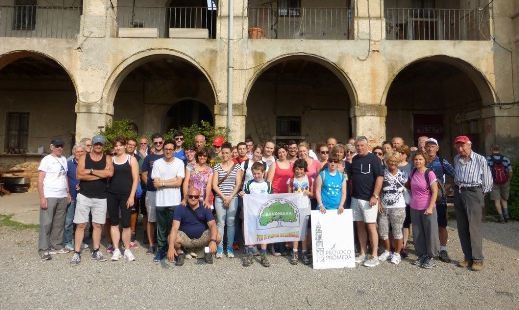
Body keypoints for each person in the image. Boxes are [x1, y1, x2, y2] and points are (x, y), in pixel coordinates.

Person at [71, 135, 114, 264]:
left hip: (101, 197)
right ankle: (77, 252)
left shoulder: (107, 158)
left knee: (97, 225)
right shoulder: (84, 157)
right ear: (93, 145)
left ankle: (96, 250)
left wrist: (90, 171)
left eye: (100, 144)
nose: (98, 146)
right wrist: (100, 174)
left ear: (103, 145)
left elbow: (110, 174)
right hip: (84, 195)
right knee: (81, 224)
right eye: (96, 144)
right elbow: (79, 175)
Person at [453, 136, 493, 271]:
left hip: (473, 192)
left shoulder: (479, 159)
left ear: (469, 145)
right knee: (462, 227)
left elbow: (488, 180)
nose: (460, 148)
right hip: (459, 191)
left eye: (463, 145)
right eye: (458, 146)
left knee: (474, 228)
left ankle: (477, 259)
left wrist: (480, 195)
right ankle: (467, 257)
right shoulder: (457, 159)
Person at [350, 136, 383, 268]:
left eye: (362, 145)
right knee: (359, 226)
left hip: (369, 199)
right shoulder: (355, 159)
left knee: (371, 226)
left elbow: (380, 178)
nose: (359, 148)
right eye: (357, 146)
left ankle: (374, 255)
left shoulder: (374, 159)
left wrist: (375, 195)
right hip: (355, 198)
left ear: (367, 146)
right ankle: (363, 253)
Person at [166, 187, 221, 265]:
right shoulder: (180, 208)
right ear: (187, 197)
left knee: (217, 236)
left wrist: (213, 241)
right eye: (190, 196)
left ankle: (207, 252)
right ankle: (180, 253)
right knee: (170, 238)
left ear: (199, 197)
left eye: (196, 197)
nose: (193, 198)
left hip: (201, 238)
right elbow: (174, 228)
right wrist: (171, 247)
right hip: (186, 239)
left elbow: (212, 225)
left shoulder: (205, 207)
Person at [151, 140, 185, 263]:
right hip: (160, 201)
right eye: (166, 149)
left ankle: (174, 249)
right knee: (161, 228)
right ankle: (161, 250)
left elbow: (179, 182)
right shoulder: (157, 163)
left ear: (174, 150)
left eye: (171, 149)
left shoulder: (179, 163)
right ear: (163, 149)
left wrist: (163, 182)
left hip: (174, 201)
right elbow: (155, 184)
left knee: (173, 228)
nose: (168, 151)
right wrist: (172, 181)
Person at [38, 138, 71, 260]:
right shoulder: (46, 160)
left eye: (61, 146)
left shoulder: (63, 159)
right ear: (52, 147)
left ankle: (56, 245)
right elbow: (40, 179)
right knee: (46, 223)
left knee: (59, 223)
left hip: (62, 195)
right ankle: (43, 249)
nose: (60, 148)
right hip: (50, 195)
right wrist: (42, 197)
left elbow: (65, 176)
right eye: (57, 146)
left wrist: (67, 192)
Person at [107, 137, 139, 261]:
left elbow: (136, 179)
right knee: (114, 222)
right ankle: (116, 249)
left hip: (126, 195)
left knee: (126, 224)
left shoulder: (132, 159)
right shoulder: (111, 159)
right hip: (112, 194)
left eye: (120, 145)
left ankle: (126, 249)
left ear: (125, 146)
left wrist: (131, 196)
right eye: (116, 145)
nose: (118, 147)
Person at [425, 138, 455, 263]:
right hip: (424, 198)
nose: (430, 148)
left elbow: (455, 174)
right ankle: (429, 249)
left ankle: (443, 249)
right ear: (425, 148)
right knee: (427, 224)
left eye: (433, 146)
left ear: (437, 148)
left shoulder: (442, 161)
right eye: (428, 146)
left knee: (441, 225)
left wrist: (447, 187)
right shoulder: (421, 161)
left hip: (439, 199)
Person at [409, 151, 439, 269]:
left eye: (420, 159)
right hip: (414, 207)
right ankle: (421, 255)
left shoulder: (429, 173)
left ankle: (431, 257)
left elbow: (435, 191)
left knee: (430, 232)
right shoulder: (413, 172)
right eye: (416, 159)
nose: (418, 161)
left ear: (425, 160)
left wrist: (430, 207)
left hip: (427, 207)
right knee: (418, 233)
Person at [212, 142, 243, 258]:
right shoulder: (217, 166)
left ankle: (229, 248)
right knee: (220, 223)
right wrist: (224, 197)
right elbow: (214, 185)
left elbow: (238, 183)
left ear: (231, 154)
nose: (225, 155)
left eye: (227, 153)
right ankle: (220, 249)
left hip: (233, 198)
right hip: (220, 198)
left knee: (230, 223)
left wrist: (230, 197)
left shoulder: (237, 167)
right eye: (223, 153)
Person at [378, 152, 407, 265]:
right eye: (390, 162)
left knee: (397, 231)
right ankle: (387, 251)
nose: (392, 164)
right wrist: (379, 202)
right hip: (384, 205)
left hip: (398, 206)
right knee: (383, 231)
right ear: (386, 162)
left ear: (398, 162)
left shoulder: (403, 174)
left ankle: (397, 253)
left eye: (395, 162)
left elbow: (409, 187)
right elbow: (379, 188)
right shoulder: (382, 173)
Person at [242, 162, 273, 267]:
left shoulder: (267, 185)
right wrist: (243, 195)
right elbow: (245, 195)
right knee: (251, 233)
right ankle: (250, 254)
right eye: (254, 173)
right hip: (251, 213)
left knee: (263, 234)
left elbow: (271, 199)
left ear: (263, 172)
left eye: (258, 173)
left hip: (264, 214)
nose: (256, 176)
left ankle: (263, 255)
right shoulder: (249, 184)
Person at [266, 144, 293, 256]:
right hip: (276, 195)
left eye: (283, 152)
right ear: (277, 154)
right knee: (276, 222)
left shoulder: (292, 164)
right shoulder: (274, 164)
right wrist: (271, 195)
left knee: (285, 221)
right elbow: (269, 181)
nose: (282, 154)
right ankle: (274, 246)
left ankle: (284, 246)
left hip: (288, 195)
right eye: (279, 152)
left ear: (286, 152)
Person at [141, 133, 165, 254]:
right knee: (151, 219)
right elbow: (144, 174)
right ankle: (151, 245)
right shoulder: (149, 158)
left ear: (163, 142)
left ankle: (162, 244)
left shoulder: (168, 156)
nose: (158, 144)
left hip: (166, 192)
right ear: (153, 143)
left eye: (160, 142)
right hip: (152, 192)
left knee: (164, 219)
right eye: (156, 143)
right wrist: (150, 184)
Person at [287, 159, 313, 265]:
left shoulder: (310, 179)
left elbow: (313, 194)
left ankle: (304, 252)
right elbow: (288, 195)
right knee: (295, 230)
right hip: (295, 208)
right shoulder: (291, 180)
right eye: (297, 169)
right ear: (294, 169)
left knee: (304, 232)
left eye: (301, 169)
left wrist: (309, 193)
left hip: (305, 207)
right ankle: (295, 252)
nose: (299, 171)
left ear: (305, 169)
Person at [64, 144, 87, 251]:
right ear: (74, 153)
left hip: (84, 196)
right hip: (72, 196)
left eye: (81, 151)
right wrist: (67, 192)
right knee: (69, 220)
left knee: (82, 221)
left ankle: (80, 241)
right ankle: (68, 241)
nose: (79, 154)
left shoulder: (88, 164)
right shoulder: (68, 164)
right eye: (77, 152)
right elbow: (64, 179)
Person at [486, 145, 513, 223]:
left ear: (491, 149)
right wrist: (508, 180)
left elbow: (485, 171)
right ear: (499, 149)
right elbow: (510, 171)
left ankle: (501, 218)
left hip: (494, 182)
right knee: (504, 199)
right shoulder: (505, 159)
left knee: (497, 201)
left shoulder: (488, 159)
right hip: (505, 181)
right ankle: (506, 215)